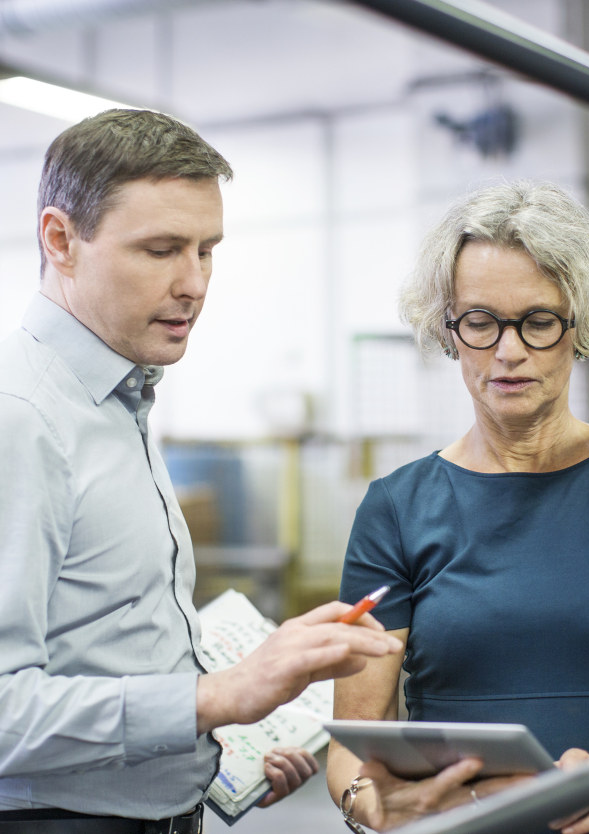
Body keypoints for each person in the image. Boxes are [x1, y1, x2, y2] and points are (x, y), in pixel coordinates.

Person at [0, 108, 402, 833]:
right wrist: (215, 698)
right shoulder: (20, 418)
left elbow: (102, 641)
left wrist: (222, 747)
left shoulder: (117, 396)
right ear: (60, 239)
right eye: (160, 250)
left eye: (206, 250)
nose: (194, 283)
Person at [326, 180, 589, 834]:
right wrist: (372, 806)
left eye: (538, 320)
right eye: (480, 321)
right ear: (449, 330)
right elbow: (357, 741)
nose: (508, 351)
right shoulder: (396, 507)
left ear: (580, 322)